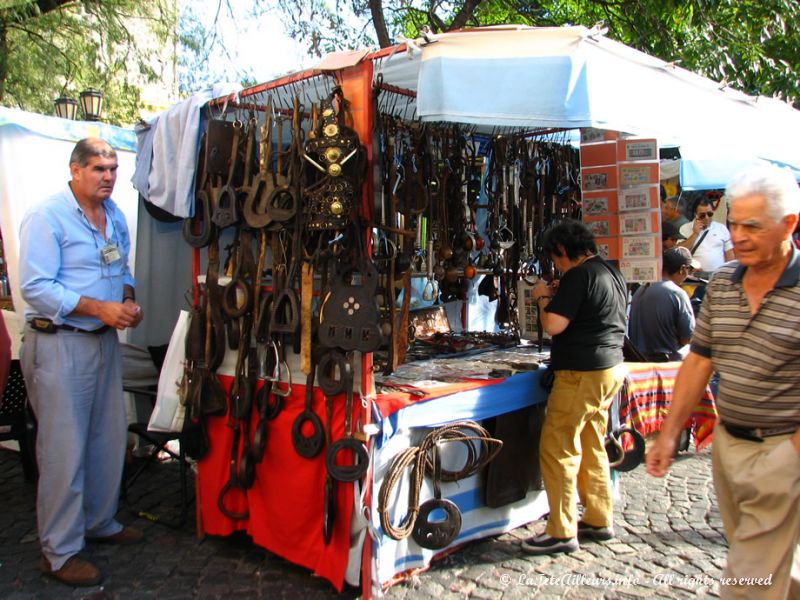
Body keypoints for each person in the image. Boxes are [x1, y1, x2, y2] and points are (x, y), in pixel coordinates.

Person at [646, 164, 800, 599]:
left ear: (789, 224)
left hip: (783, 447)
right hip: (729, 447)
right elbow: (699, 361)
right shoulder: (724, 285)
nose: (739, 236)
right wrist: (670, 433)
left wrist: (791, 455)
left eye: (753, 226)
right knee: (770, 564)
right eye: (734, 224)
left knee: (748, 578)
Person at [18, 138, 145, 587]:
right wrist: (98, 308)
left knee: (106, 439)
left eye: (112, 168)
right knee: (63, 449)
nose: (108, 176)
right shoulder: (47, 216)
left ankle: (98, 522)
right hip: (59, 344)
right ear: (75, 170)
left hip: (101, 342)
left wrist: (126, 301)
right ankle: (58, 552)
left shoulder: (114, 217)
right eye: (98, 169)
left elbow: (122, 271)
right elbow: (36, 287)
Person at [523, 219, 628, 556]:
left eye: (556, 259)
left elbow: (554, 324)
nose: (556, 265)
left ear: (564, 251)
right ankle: (598, 517)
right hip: (608, 369)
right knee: (591, 442)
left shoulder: (579, 275)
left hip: (581, 374)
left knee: (558, 448)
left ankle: (561, 529)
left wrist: (542, 299)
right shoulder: (610, 272)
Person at [628, 247, 698, 362]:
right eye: (689, 270)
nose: (688, 275)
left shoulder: (641, 289)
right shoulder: (677, 293)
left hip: (639, 360)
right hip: (667, 363)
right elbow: (687, 337)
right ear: (682, 269)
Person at [678, 196, 735, 275]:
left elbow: (730, 255)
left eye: (710, 214)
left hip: (718, 277)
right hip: (694, 278)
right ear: (695, 214)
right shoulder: (685, 228)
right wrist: (695, 234)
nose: (707, 218)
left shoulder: (721, 228)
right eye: (702, 215)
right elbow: (680, 253)